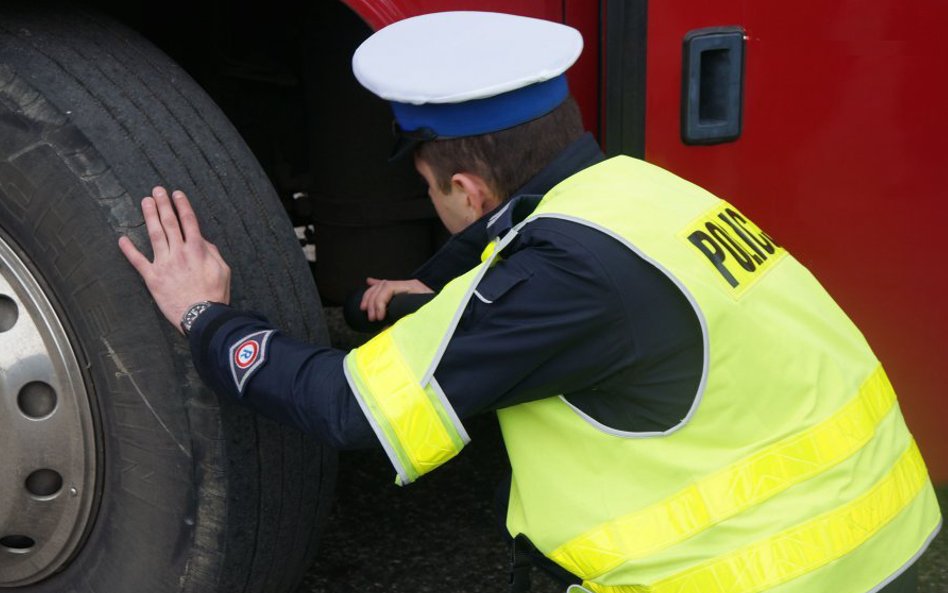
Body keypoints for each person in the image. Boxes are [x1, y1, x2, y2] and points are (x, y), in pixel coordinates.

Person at [118, 11, 941, 593]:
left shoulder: (557, 284)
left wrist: (206, 316)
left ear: (466, 188)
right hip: (873, 534)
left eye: (431, 189)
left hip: (769, 574)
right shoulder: (640, 188)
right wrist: (433, 294)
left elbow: (351, 410)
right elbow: (543, 273)